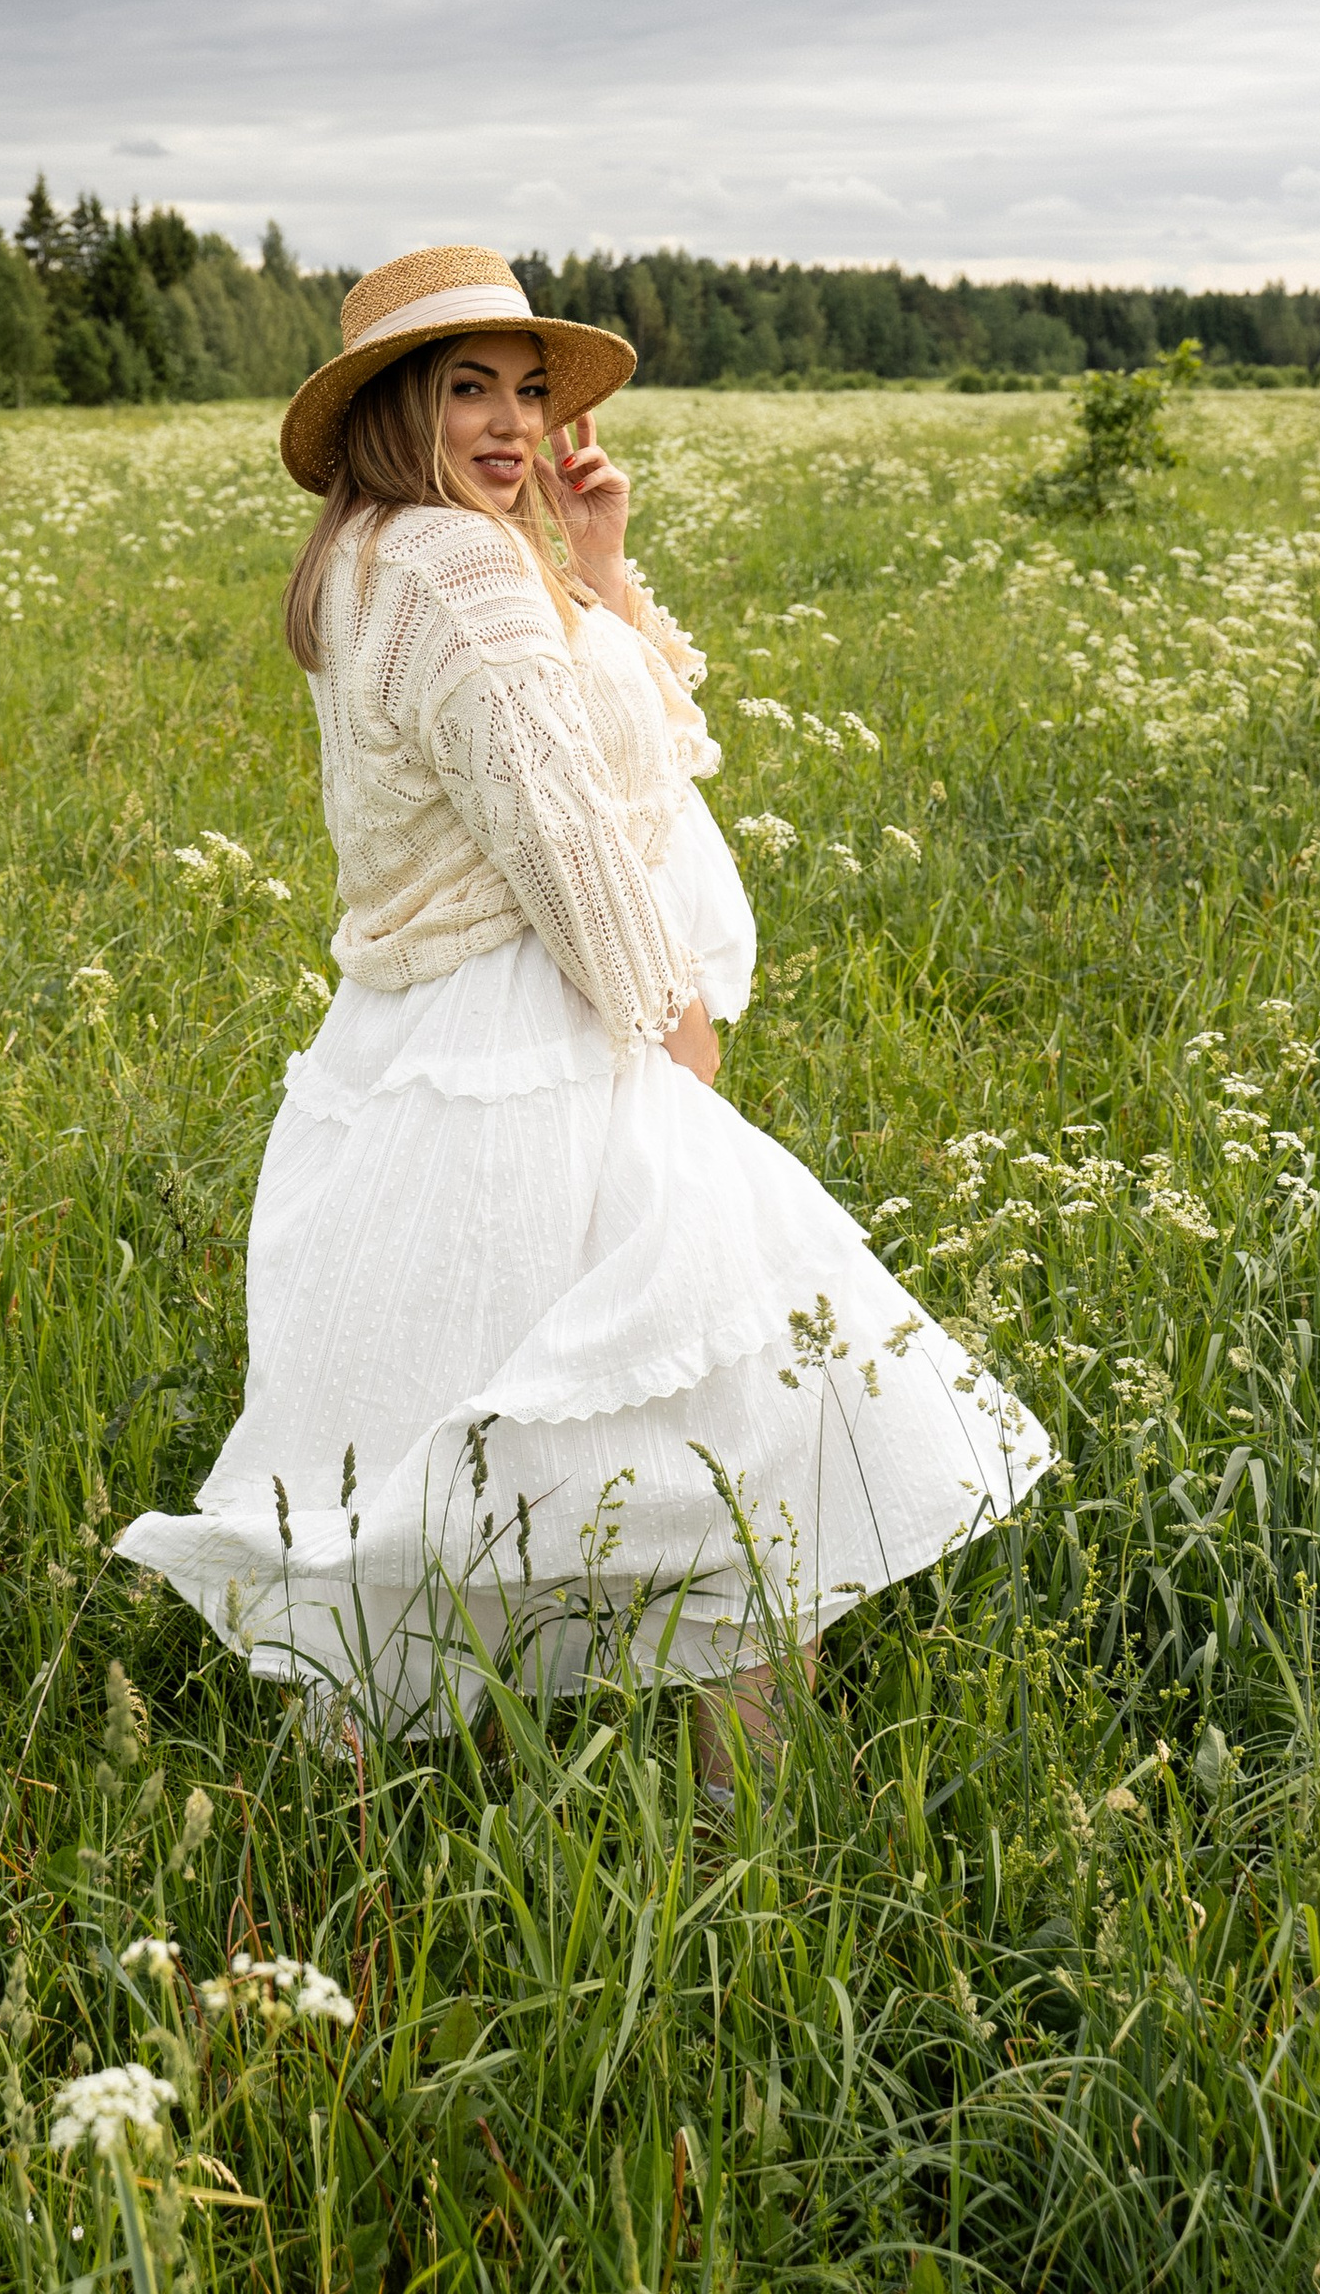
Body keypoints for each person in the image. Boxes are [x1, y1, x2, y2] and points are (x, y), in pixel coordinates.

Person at [114, 244, 1051, 1770]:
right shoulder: (458, 565)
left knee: (472, 1430)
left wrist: (599, 563)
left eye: (527, 391)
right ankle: (759, 1837)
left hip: (440, 1047)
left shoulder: (380, 554)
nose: (513, 424)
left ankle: (400, 1795)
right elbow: (557, 824)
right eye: (467, 389)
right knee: (758, 1428)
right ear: (394, 408)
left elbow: (625, 735)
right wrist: (670, 1021)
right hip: (547, 1035)